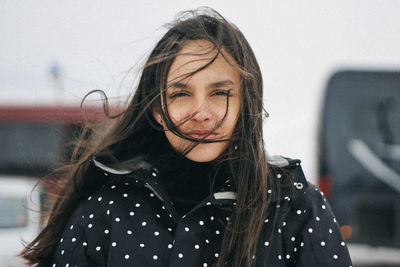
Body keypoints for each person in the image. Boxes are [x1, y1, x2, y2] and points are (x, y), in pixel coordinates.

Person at [20, 7, 352, 267]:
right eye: (180, 94)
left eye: (220, 92)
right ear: (157, 110)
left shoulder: (293, 207)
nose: (201, 111)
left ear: (245, 104)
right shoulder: (106, 210)